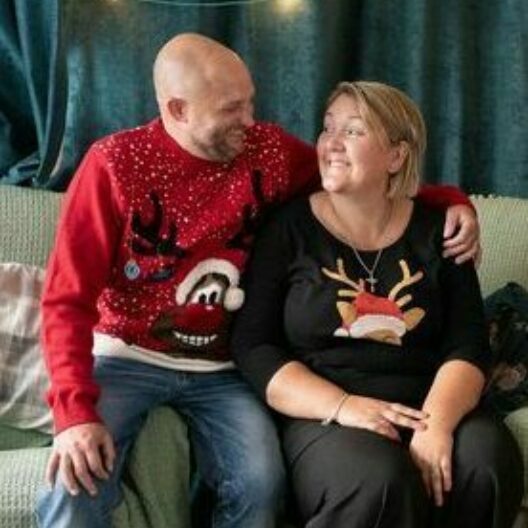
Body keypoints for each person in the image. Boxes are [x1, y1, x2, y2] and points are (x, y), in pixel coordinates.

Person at [37, 31, 480, 528]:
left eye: (251, 102)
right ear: (178, 110)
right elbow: (65, 300)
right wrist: (73, 413)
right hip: (127, 355)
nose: (250, 120)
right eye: (232, 109)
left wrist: (450, 201)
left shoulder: (265, 152)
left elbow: (357, 181)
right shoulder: (114, 166)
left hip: (222, 368)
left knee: (261, 485)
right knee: (75, 477)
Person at [232, 81, 523, 528]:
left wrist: (437, 424)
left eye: (353, 131)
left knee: (483, 463)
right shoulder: (288, 228)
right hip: (327, 414)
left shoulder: (440, 231)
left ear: (396, 156)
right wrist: (344, 405)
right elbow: (254, 347)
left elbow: (467, 344)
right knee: (377, 480)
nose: (331, 143)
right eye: (328, 128)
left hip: (430, 401)